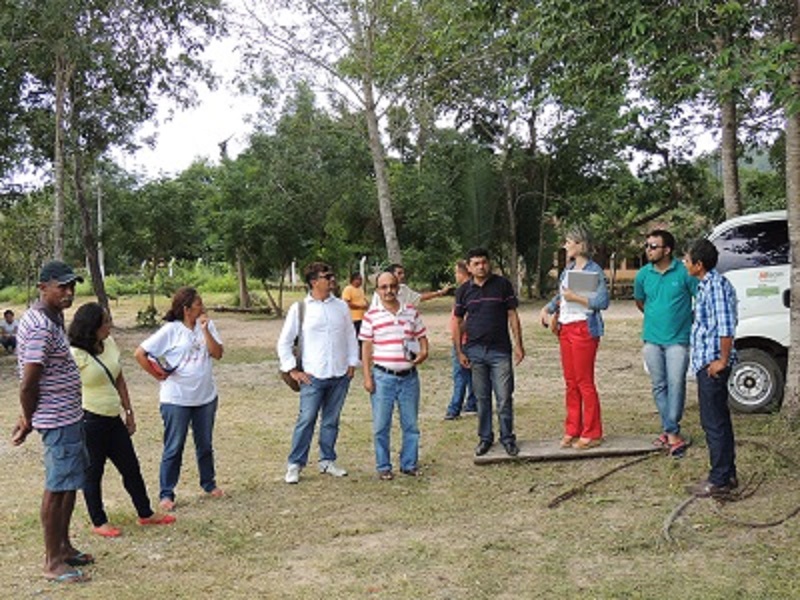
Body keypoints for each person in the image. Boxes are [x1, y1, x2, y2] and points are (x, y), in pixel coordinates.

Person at [11, 261, 92, 583]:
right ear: (43, 287)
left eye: (72, 286)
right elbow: (29, 381)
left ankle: (64, 547)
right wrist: (28, 418)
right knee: (57, 488)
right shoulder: (40, 326)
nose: (69, 292)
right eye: (62, 286)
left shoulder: (53, 316)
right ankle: (52, 562)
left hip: (69, 415)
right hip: (56, 419)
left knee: (70, 483)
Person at [69, 303, 176, 537]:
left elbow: (118, 378)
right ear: (92, 327)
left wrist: (129, 411)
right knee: (93, 472)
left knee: (131, 467)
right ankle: (99, 521)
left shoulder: (109, 344)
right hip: (90, 420)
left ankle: (145, 513)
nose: (109, 326)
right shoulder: (75, 354)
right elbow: (69, 391)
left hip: (113, 417)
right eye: (105, 322)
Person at [134, 287, 225, 511]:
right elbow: (140, 353)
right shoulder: (171, 330)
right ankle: (167, 493)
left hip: (205, 397)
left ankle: (208, 483)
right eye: (198, 304)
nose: (202, 308)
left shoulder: (207, 326)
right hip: (176, 399)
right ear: (186, 309)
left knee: (205, 444)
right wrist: (157, 374)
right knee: (174, 446)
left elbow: (218, 353)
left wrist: (205, 330)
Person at [277, 262, 359, 484]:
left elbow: (350, 335)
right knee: (306, 419)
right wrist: (292, 370)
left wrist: (353, 362)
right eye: (327, 276)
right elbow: (284, 342)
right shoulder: (300, 308)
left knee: (331, 420)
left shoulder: (341, 306)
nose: (332, 279)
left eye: (332, 275)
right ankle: (295, 463)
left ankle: (327, 459)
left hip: (339, 374)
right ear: (314, 281)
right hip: (313, 375)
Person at [540, 224, 610, 450]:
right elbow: (560, 297)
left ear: (580, 245)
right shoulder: (568, 269)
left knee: (584, 382)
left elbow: (602, 302)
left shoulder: (594, 270)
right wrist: (548, 309)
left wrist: (576, 297)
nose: (565, 246)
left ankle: (593, 432)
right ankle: (573, 428)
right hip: (565, 328)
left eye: (569, 242)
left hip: (584, 328)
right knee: (570, 382)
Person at [454, 248, 524, 457]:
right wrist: (459, 351)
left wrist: (519, 344)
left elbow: (512, 315)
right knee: (482, 399)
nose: (480, 266)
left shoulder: (502, 285)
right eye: (475, 263)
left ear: (489, 263)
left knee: (504, 397)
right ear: (469, 267)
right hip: (475, 351)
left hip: (500, 350)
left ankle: (507, 438)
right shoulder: (464, 290)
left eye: (483, 262)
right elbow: (457, 321)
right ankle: (485, 438)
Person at [634, 229, 698, 458]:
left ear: (667, 250)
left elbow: (699, 299)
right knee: (658, 385)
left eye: (653, 246)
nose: (648, 250)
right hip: (651, 339)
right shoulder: (643, 275)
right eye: (647, 246)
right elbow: (641, 302)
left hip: (678, 341)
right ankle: (672, 433)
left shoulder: (684, 272)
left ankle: (669, 431)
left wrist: (685, 320)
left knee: (676, 384)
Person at [683, 239, 739, 498]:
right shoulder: (705, 285)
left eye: (687, 260)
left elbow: (725, 327)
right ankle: (727, 473)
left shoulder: (715, 286)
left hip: (712, 365)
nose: (685, 263)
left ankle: (718, 480)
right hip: (706, 362)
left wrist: (722, 361)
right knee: (718, 420)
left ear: (699, 264)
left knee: (713, 423)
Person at [360, 271, 429, 480]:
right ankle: (383, 466)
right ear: (377, 290)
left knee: (411, 425)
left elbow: (422, 337)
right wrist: (367, 377)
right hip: (383, 378)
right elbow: (366, 348)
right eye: (384, 287)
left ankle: (409, 463)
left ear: (398, 287)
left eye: (392, 286)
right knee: (381, 425)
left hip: (409, 377)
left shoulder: (411, 312)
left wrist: (424, 352)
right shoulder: (371, 316)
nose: (389, 291)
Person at [444, 260, 477, 419]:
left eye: (457, 272)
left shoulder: (465, 292)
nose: (455, 276)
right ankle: (472, 402)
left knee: (460, 375)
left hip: (463, 340)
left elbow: (465, 319)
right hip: (466, 339)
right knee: (470, 374)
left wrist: (457, 333)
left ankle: (454, 408)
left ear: (463, 273)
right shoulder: (470, 290)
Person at [370, 263, 451, 308]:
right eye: (399, 273)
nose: (402, 276)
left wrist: (439, 293)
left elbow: (420, 297)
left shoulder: (404, 289)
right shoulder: (379, 293)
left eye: (403, 273)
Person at [341, 272, 369, 342]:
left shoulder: (361, 289)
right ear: (353, 280)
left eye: (361, 280)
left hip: (362, 318)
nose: (360, 281)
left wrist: (367, 304)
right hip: (353, 319)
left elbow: (363, 299)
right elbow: (346, 303)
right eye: (359, 279)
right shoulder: (348, 289)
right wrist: (360, 306)